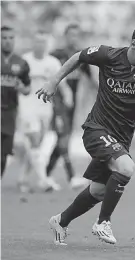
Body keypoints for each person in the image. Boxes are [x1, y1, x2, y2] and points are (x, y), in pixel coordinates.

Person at [36, 24, 135, 245]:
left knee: (98, 191)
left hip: (122, 137)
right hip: (97, 129)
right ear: (133, 43)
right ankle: (103, 222)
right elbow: (79, 56)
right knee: (126, 168)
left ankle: (60, 221)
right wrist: (53, 81)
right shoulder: (109, 55)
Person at [16, 29, 74, 191]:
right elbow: (16, 83)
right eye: (37, 41)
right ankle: (44, 180)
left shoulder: (52, 62)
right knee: (34, 141)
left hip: (45, 108)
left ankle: (23, 178)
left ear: (47, 44)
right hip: (27, 107)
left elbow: (61, 83)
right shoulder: (24, 61)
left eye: (43, 42)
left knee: (36, 146)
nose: (40, 45)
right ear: (33, 42)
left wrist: (68, 95)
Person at [47, 24, 95, 189]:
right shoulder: (56, 55)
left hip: (71, 104)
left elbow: (92, 80)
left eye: (76, 35)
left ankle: (45, 174)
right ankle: (71, 176)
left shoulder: (82, 56)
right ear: (65, 36)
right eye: (70, 35)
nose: (73, 38)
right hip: (57, 103)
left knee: (62, 140)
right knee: (63, 138)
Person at [1, 25, 31, 177]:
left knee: (4, 155)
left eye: (10, 38)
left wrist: (21, 87)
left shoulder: (21, 63)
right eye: (4, 38)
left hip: (10, 113)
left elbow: (28, 89)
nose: (7, 41)